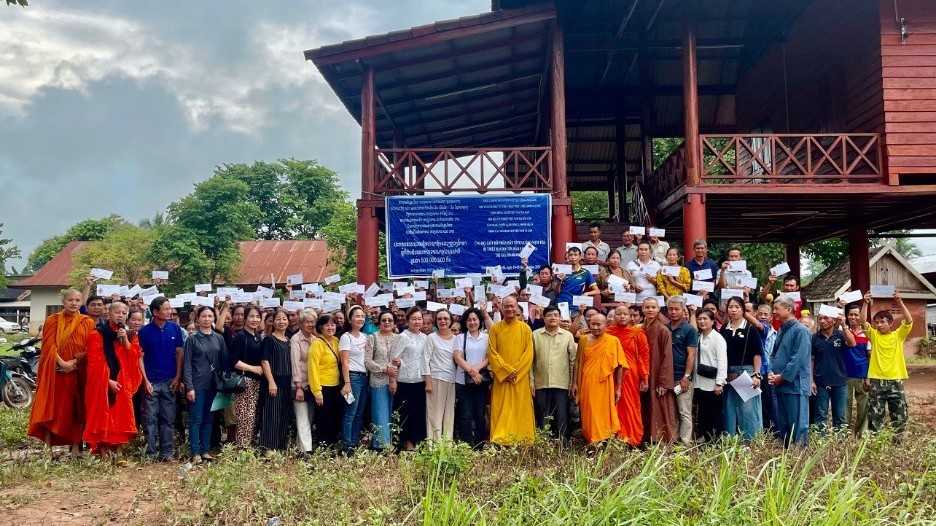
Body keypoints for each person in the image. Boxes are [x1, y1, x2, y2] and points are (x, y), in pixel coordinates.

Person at [28, 288, 95, 456]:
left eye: (77, 300)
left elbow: (90, 347)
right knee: (53, 408)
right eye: (70, 300)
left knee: (75, 408)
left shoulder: (87, 322)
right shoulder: (53, 320)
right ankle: (48, 447)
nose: (74, 303)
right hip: (56, 372)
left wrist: (75, 360)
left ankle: (75, 447)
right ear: (63, 302)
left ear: (82, 303)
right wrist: (62, 362)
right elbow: (48, 345)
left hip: (76, 371)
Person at [82, 302, 142, 459]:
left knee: (121, 417)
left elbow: (135, 356)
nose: (120, 315)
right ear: (108, 312)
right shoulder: (98, 334)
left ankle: (118, 451)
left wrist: (126, 340)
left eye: (124, 313)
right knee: (104, 416)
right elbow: (94, 363)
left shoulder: (129, 335)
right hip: (104, 383)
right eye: (117, 312)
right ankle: (102, 452)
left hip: (123, 383)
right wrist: (107, 381)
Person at [138, 297, 186, 462]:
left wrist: (178, 377)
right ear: (155, 312)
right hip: (151, 381)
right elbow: (140, 357)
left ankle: (167, 453)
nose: (169, 311)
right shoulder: (144, 331)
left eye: (170, 308)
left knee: (168, 419)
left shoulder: (175, 329)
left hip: (170, 381)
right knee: (150, 420)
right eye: (166, 309)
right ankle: (150, 454)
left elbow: (179, 353)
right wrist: (145, 380)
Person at [860, 290, 912, 437]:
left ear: (890, 323)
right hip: (877, 381)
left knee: (900, 416)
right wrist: (865, 303)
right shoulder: (874, 335)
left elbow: (908, 321)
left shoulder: (898, 335)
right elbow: (863, 321)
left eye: (883, 322)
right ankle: (874, 444)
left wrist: (900, 302)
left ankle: (899, 444)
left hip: (896, 380)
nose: (879, 325)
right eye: (877, 322)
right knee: (875, 416)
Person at [571, 312, 627, 445]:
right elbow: (578, 362)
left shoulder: (613, 341)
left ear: (606, 325)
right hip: (587, 383)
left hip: (605, 384)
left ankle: (603, 441)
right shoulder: (584, 340)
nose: (595, 327)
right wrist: (574, 383)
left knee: (604, 413)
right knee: (589, 413)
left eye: (598, 324)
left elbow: (620, 365)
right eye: (592, 324)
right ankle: (591, 440)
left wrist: (618, 388)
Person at [487, 296, 535, 445]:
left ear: (517, 308)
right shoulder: (495, 328)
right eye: (506, 306)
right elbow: (492, 353)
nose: (509, 309)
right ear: (502, 308)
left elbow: (529, 354)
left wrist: (515, 373)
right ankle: (500, 439)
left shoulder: (525, 328)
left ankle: (522, 439)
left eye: (512, 306)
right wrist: (506, 371)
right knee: (501, 409)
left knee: (520, 409)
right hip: (502, 379)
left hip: (519, 379)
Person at [183, 306, 226, 464]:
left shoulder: (218, 338)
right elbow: (187, 365)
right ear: (198, 319)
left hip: (214, 385)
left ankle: (205, 450)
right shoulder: (192, 339)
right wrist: (189, 387)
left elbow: (223, 361)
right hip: (197, 384)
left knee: (209, 418)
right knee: (196, 419)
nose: (207, 319)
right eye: (204, 316)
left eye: (210, 316)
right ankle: (195, 452)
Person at [769, 295, 812, 447]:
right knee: (784, 424)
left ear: (788, 310)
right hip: (781, 384)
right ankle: (788, 456)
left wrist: (783, 377)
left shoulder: (801, 330)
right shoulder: (781, 329)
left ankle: (799, 456)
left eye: (776, 309)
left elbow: (797, 359)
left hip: (795, 385)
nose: (774, 312)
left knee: (798, 424)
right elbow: (775, 355)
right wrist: (772, 373)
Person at [719, 296, 763, 441]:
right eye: (731, 307)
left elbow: (757, 354)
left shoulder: (751, 329)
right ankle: (730, 441)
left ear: (743, 309)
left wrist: (756, 375)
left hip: (747, 372)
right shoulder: (725, 328)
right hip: (729, 373)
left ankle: (751, 442)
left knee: (748, 409)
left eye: (737, 307)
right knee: (730, 408)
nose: (733, 310)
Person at [531, 306, 577, 443]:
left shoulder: (567, 336)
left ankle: (563, 444)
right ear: (543, 318)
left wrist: (571, 383)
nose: (552, 318)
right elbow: (530, 361)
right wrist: (531, 381)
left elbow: (573, 361)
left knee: (562, 415)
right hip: (541, 382)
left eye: (556, 315)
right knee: (542, 414)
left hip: (561, 383)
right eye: (549, 315)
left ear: (560, 318)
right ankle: (544, 444)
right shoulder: (535, 335)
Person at [606, 305, 649, 446]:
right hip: (611, 374)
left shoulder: (637, 333)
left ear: (631, 316)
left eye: (626, 314)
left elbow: (644, 356)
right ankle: (614, 435)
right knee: (612, 404)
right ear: (614, 316)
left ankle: (632, 437)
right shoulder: (607, 333)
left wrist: (645, 377)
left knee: (631, 406)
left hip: (630, 375)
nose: (623, 317)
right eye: (619, 314)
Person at [391, 307, 430, 451]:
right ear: (407, 321)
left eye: (419, 318)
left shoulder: (425, 337)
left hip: (420, 381)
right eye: (413, 319)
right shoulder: (402, 337)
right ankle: (406, 444)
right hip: (404, 381)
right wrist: (393, 380)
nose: (417, 321)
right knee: (404, 413)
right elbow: (394, 359)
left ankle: (418, 441)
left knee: (418, 413)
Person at [811, 311, 855, 433]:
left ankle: (839, 443)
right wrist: (812, 380)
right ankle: (819, 442)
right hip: (821, 382)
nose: (822, 321)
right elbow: (812, 359)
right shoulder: (815, 338)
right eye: (820, 318)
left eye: (826, 318)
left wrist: (845, 325)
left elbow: (852, 343)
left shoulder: (840, 335)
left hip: (839, 382)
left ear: (834, 320)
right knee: (820, 416)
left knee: (840, 416)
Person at [453, 308, 490, 449]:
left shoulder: (486, 337)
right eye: (469, 319)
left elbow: (489, 357)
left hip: (481, 380)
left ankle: (479, 445)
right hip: (463, 381)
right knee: (465, 415)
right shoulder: (460, 338)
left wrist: (477, 370)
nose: (472, 322)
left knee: (480, 414)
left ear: (480, 321)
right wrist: (471, 371)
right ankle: (466, 446)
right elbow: (457, 357)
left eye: (474, 319)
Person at [364, 310, 400, 450]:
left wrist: (393, 374)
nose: (386, 323)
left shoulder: (398, 338)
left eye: (390, 320)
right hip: (378, 380)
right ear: (379, 322)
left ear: (394, 323)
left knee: (393, 413)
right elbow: (367, 361)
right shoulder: (372, 337)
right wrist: (384, 369)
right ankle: (381, 447)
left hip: (395, 380)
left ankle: (391, 444)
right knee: (380, 413)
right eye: (384, 320)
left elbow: (399, 360)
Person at [259, 309, 293, 455]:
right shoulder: (269, 339)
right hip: (274, 381)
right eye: (278, 319)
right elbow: (264, 361)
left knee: (283, 414)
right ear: (272, 322)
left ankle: (279, 445)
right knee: (271, 414)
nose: (281, 322)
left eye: (284, 319)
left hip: (287, 382)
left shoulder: (289, 340)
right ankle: (268, 447)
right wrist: (271, 382)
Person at [641, 297, 676, 443]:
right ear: (642, 309)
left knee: (659, 407)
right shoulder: (640, 329)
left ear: (658, 309)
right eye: (647, 307)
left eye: (653, 307)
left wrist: (664, 382)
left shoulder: (663, 330)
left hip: (657, 375)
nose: (650, 310)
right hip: (643, 374)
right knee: (644, 406)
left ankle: (661, 438)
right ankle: (644, 437)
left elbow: (667, 357)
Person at [665, 296, 698, 446]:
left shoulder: (689, 330)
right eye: (670, 309)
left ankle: (685, 443)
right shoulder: (664, 328)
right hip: (667, 378)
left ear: (683, 310)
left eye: (677, 309)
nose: (673, 312)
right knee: (670, 412)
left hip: (682, 378)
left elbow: (691, 354)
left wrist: (686, 377)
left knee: (684, 412)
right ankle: (672, 439)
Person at [230, 306, 264, 449]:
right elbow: (233, 361)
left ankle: (247, 445)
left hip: (257, 382)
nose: (254, 319)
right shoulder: (240, 337)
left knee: (252, 415)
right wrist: (253, 368)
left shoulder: (257, 336)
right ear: (245, 318)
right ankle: (242, 448)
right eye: (251, 316)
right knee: (245, 416)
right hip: (245, 381)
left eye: (257, 317)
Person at [308, 314, 342, 448]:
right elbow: (313, 368)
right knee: (323, 419)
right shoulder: (317, 343)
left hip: (335, 386)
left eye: (333, 324)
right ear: (320, 327)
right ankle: (323, 446)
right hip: (322, 386)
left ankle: (332, 445)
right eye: (327, 325)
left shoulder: (336, 341)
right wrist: (317, 391)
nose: (330, 327)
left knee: (334, 416)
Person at [339, 305, 369, 453]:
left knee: (359, 413)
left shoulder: (365, 337)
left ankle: (354, 441)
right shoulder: (346, 337)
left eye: (362, 316)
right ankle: (346, 445)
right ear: (350, 319)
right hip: (352, 377)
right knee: (349, 413)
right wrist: (347, 383)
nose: (360, 319)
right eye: (357, 316)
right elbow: (344, 362)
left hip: (365, 378)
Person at [694, 309, 727, 443]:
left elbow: (722, 360)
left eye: (705, 319)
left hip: (713, 383)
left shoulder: (717, 338)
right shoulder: (698, 336)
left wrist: (720, 382)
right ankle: (704, 439)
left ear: (713, 321)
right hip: (699, 381)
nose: (702, 321)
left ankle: (715, 440)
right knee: (703, 412)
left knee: (714, 413)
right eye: (699, 319)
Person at [424, 309, 458, 440]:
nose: (443, 321)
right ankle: (434, 446)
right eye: (439, 319)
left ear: (451, 321)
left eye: (445, 318)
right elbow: (425, 360)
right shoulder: (431, 338)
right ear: (435, 322)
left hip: (452, 380)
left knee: (449, 414)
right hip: (435, 379)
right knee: (434, 415)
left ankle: (447, 445)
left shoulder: (457, 339)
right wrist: (428, 382)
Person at [290, 308, 317, 454]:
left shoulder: (315, 339)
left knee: (310, 418)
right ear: (300, 323)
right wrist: (298, 386)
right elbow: (295, 364)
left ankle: (301, 449)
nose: (310, 324)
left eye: (313, 322)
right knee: (302, 418)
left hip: (312, 385)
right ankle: (308, 451)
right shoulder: (295, 340)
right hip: (299, 384)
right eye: (307, 322)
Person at [844, 303, 871, 436]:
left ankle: (861, 433)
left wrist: (868, 378)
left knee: (863, 406)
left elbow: (871, 357)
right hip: (845, 375)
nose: (853, 317)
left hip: (862, 374)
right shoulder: (843, 331)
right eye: (851, 314)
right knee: (845, 405)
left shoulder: (868, 334)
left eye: (856, 314)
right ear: (847, 316)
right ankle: (844, 432)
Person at [555, 247, 599, 316]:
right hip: (562, 304)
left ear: (580, 257)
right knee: (564, 325)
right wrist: (559, 282)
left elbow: (597, 291)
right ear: (568, 257)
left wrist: (586, 293)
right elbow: (556, 293)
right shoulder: (561, 271)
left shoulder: (585, 273)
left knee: (581, 326)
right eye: (571, 255)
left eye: (575, 255)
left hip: (576, 306)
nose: (573, 257)